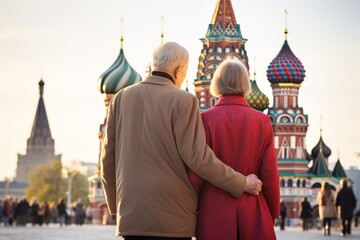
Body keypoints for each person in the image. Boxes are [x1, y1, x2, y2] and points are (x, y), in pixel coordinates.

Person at [100, 42, 263, 239]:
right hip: (172, 219)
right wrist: (242, 182)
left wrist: (118, 205)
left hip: (130, 218)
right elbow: (198, 159)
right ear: (179, 70)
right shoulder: (183, 100)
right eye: (186, 70)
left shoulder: (120, 98)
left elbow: (107, 159)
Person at [187, 59, 280, 240]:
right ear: (245, 84)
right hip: (253, 210)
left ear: (217, 83)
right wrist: (272, 213)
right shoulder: (262, 121)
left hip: (213, 211)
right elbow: (270, 174)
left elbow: (195, 173)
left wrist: (192, 211)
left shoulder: (204, 120)